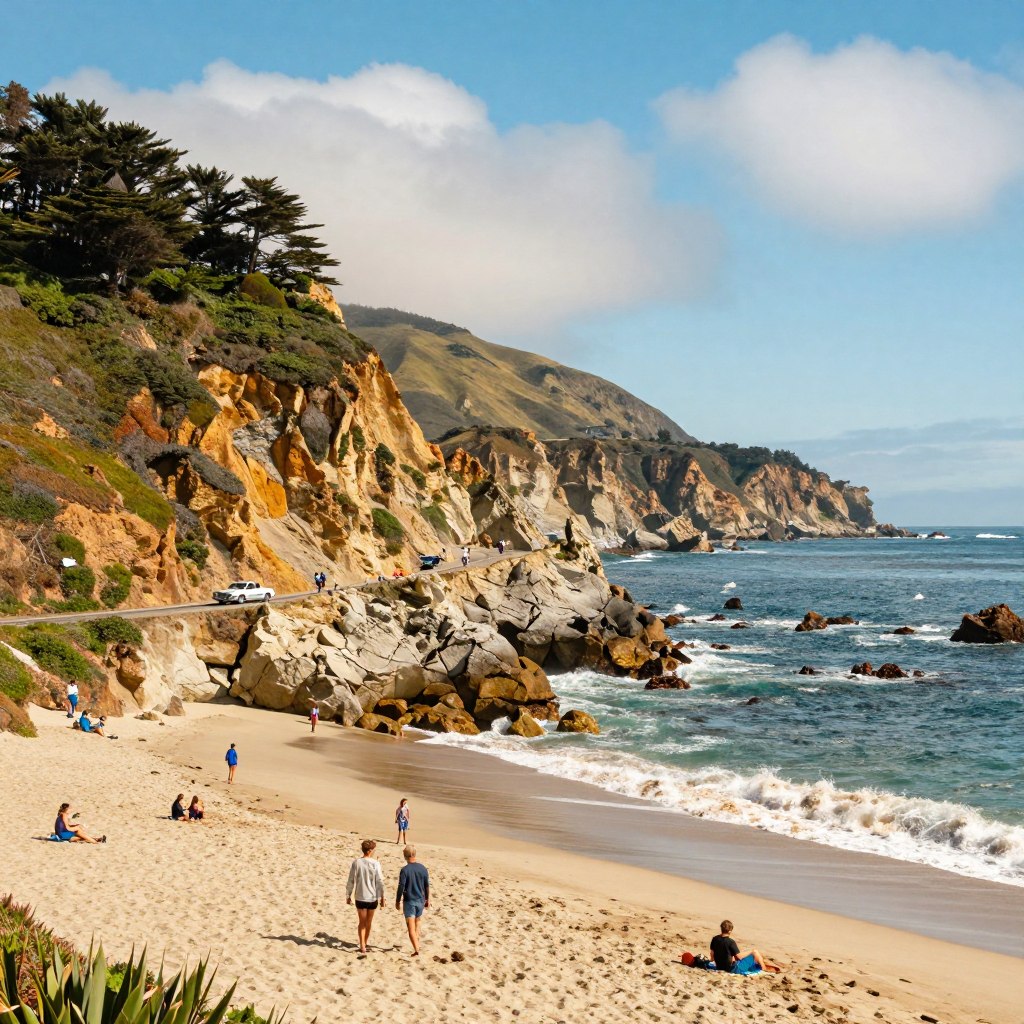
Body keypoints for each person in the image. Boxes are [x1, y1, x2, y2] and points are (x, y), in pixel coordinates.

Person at [346, 839, 385, 954]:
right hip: (372, 897)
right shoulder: (375, 863)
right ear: (370, 851)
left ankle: (362, 944)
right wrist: (382, 897)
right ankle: (365, 942)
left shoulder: (356, 862)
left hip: (360, 896)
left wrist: (348, 895)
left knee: (361, 922)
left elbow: (351, 881)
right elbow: (380, 881)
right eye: (373, 850)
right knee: (368, 922)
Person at [710, 920, 782, 975]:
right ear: (730, 931)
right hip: (732, 969)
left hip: (719, 967)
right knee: (754, 952)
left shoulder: (715, 939)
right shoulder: (731, 942)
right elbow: (739, 957)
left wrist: (713, 960)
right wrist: (751, 952)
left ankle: (758, 964)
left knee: (733, 953)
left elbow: (712, 954)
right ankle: (764, 969)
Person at [395, 845, 430, 955]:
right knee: (417, 923)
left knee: (410, 927)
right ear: (415, 854)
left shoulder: (405, 870)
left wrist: (397, 900)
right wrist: (427, 899)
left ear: (405, 856)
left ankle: (416, 949)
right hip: (420, 899)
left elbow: (401, 886)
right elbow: (426, 885)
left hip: (409, 900)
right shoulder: (423, 868)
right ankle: (417, 943)